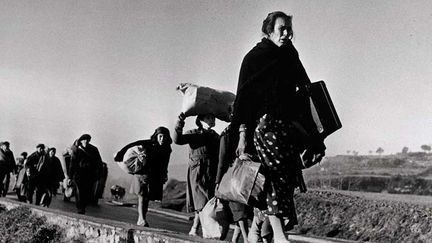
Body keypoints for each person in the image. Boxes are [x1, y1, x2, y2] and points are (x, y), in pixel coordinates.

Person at [231, 11, 326, 243]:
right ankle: (280, 236)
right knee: (274, 177)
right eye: (281, 29)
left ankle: (255, 230)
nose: (285, 34)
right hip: (265, 127)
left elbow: (304, 89)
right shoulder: (254, 58)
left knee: (287, 178)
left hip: (288, 127)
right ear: (269, 30)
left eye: (288, 29)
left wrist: (315, 135)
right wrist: (242, 136)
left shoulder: (290, 56)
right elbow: (243, 100)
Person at [114, 126, 172, 227]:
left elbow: (165, 162)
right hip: (142, 174)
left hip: (154, 175)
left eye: (164, 137)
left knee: (147, 198)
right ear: (156, 136)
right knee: (142, 196)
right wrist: (120, 153)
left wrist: (165, 174)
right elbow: (132, 144)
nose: (162, 139)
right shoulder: (148, 143)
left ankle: (142, 218)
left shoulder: (167, 149)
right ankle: (141, 219)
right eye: (160, 136)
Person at [173, 113, 220, 236]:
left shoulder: (215, 136)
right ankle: (204, 230)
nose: (212, 119)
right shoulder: (193, 133)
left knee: (208, 201)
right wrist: (180, 122)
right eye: (209, 117)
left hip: (212, 172)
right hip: (198, 171)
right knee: (201, 201)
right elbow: (178, 140)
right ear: (201, 120)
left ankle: (195, 228)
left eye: (213, 117)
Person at [216, 123, 252, 243]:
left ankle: (236, 239)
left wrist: (218, 181)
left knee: (240, 209)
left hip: (236, 174)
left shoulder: (227, 135)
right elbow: (222, 160)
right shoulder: (230, 135)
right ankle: (245, 239)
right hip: (238, 175)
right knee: (240, 209)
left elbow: (222, 160)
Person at [69, 134, 103, 214]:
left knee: (87, 192)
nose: (86, 141)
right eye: (84, 140)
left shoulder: (94, 149)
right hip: (79, 174)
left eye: (87, 140)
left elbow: (99, 162)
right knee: (79, 191)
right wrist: (70, 177)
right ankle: (80, 208)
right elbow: (72, 163)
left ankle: (83, 207)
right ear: (81, 141)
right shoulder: (77, 150)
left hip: (89, 174)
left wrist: (99, 174)